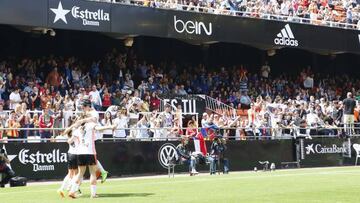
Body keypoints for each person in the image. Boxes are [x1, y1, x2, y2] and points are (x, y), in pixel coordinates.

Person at [57, 116, 81, 197]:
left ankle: (61, 188)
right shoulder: (77, 130)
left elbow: (63, 133)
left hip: (70, 153)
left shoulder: (70, 129)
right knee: (77, 174)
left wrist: (71, 126)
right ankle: (72, 189)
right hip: (76, 154)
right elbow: (69, 141)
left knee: (70, 173)